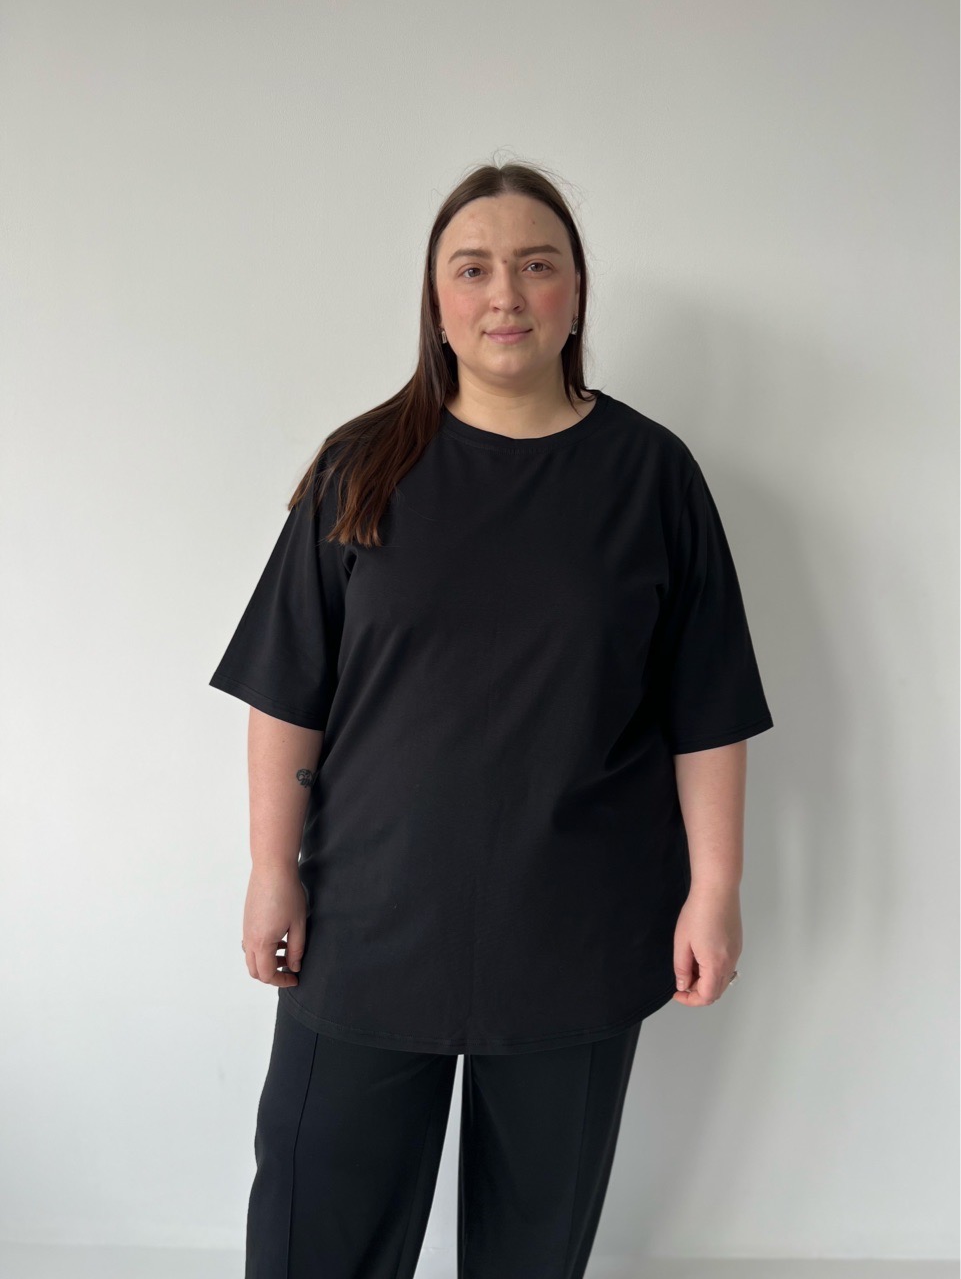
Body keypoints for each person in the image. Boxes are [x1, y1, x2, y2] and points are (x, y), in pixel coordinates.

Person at [209, 160, 774, 1279]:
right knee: (312, 1241)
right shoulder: (361, 467)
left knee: (531, 1254)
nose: (504, 293)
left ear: (576, 292)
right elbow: (288, 693)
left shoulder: (652, 475)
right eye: (471, 268)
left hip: (577, 929)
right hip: (367, 923)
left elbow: (706, 709)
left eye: (535, 265)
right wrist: (272, 869)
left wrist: (714, 888)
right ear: (435, 299)